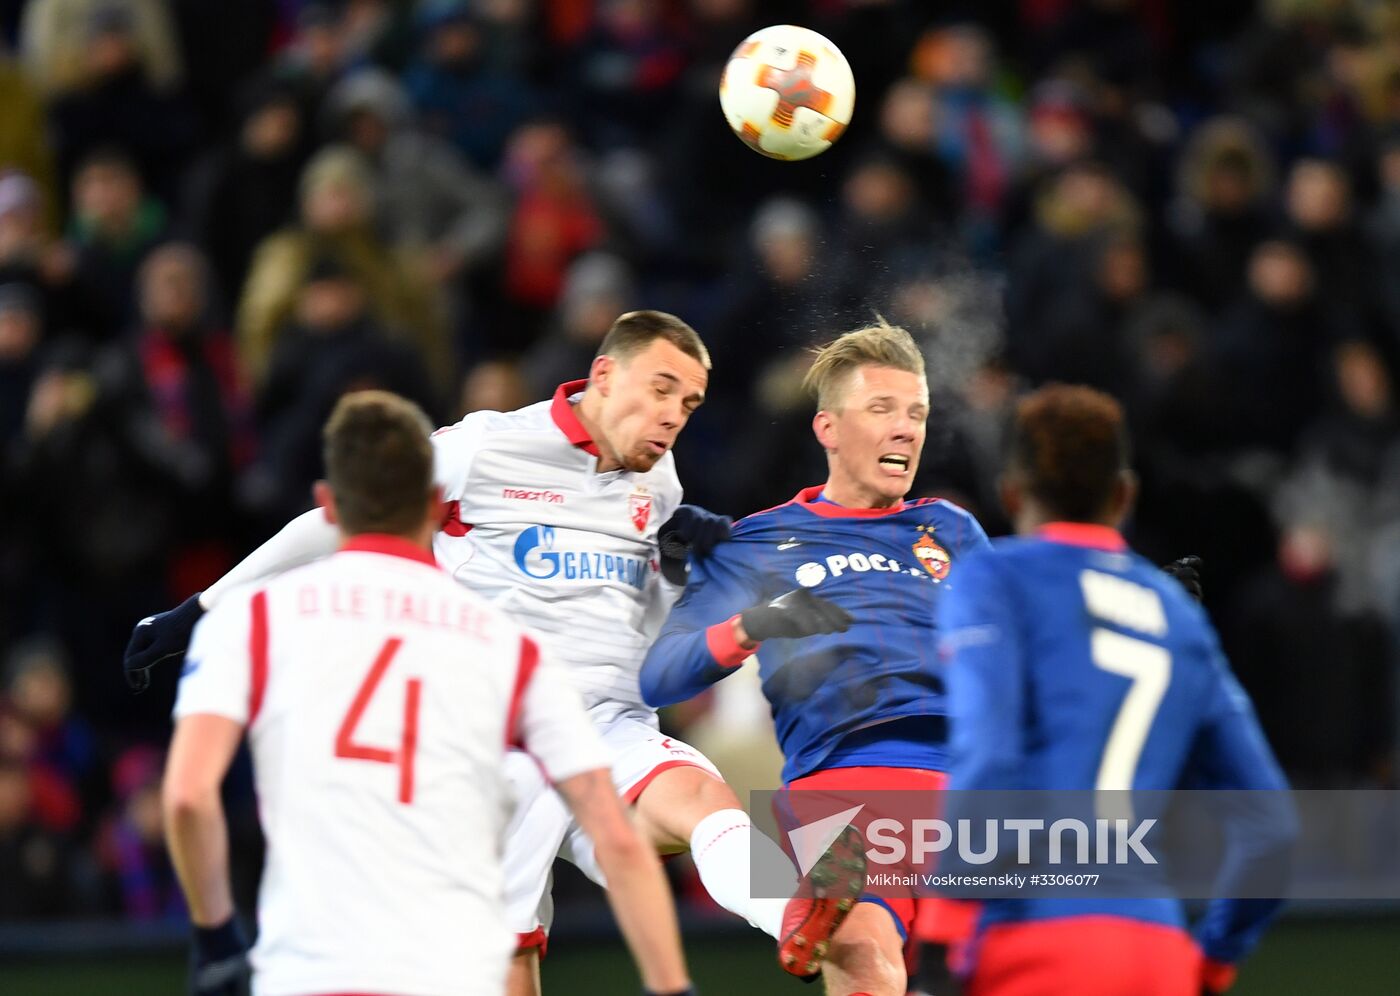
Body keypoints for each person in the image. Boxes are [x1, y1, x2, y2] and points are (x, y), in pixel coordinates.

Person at [129, 310, 861, 993]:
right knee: (509, 953)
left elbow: (641, 620)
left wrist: (682, 573)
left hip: (607, 728)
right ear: (604, 376)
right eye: (661, 388)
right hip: (495, 739)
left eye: (691, 402)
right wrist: (199, 609)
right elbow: (334, 521)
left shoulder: (658, 482)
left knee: (702, 801)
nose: (674, 413)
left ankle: (796, 913)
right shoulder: (487, 446)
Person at [161, 389, 693, 996]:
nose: (676, 412)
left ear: (329, 504)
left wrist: (215, 936)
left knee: (740, 827)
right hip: (446, 945)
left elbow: (187, 795)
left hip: (311, 955)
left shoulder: (253, 618)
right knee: (772, 844)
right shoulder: (507, 647)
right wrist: (670, 984)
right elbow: (621, 837)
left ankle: (811, 899)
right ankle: (812, 897)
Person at [641, 321, 993, 996]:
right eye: (882, 410)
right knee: (866, 968)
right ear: (828, 428)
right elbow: (662, 673)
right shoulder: (759, 543)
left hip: (973, 781)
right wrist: (753, 624)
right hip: (849, 782)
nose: (905, 429)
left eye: (916, 413)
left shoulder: (950, 530)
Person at [938, 384, 1295, 995]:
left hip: (1032, 943)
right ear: (1124, 494)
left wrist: (940, 930)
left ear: (1011, 493)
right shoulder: (1180, 617)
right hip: (1156, 953)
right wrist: (1212, 959)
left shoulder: (992, 577)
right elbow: (1272, 829)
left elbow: (989, 759)